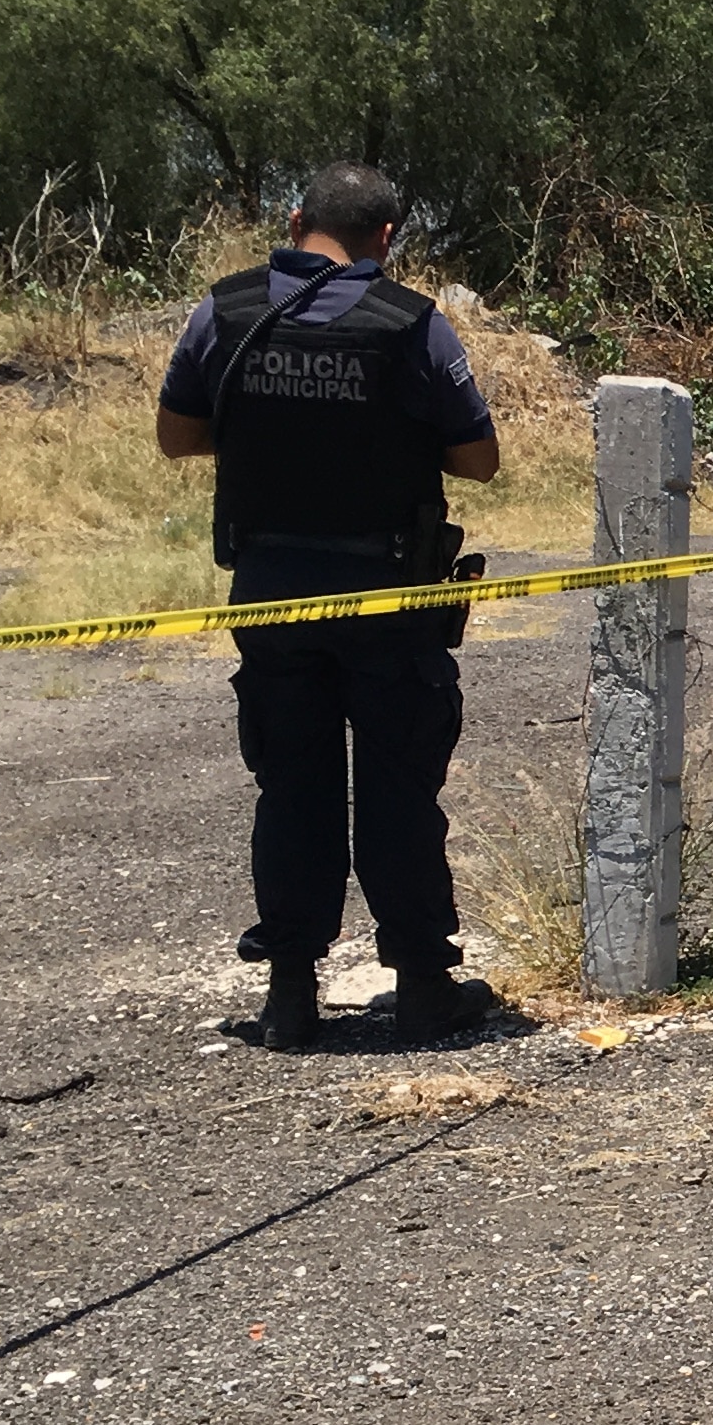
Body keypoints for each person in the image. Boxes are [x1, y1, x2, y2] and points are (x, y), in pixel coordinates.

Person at [153, 163, 501, 1050]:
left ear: (297, 217)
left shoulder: (223, 312)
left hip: (271, 593)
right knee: (399, 788)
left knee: (291, 785)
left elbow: (176, 436)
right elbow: (477, 460)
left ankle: (291, 995)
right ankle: (423, 984)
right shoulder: (412, 323)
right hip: (387, 596)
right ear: (386, 237)